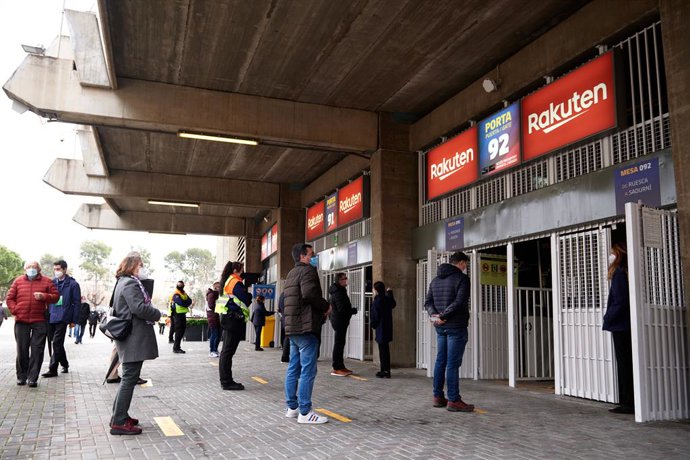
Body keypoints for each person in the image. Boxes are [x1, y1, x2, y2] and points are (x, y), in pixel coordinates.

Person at [109, 252, 160, 435]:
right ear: (132, 266)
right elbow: (138, 308)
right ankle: (119, 422)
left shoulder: (122, 282)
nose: (143, 269)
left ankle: (119, 416)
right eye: (141, 265)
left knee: (129, 378)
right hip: (133, 337)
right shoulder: (130, 283)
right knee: (129, 378)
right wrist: (157, 313)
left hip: (130, 337)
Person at [283, 243, 331, 424]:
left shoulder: (291, 274)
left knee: (293, 368)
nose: (314, 257)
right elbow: (309, 293)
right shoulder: (308, 271)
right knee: (308, 370)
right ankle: (305, 412)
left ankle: (292, 408)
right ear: (303, 256)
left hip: (293, 328)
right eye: (312, 254)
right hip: (305, 327)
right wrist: (326, 306)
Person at [424, 251, 475, 412]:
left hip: (440, 327)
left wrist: (435, 316)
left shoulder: (435, 280)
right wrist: (444, 316)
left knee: (441, 361)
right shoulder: (462, 279)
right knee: (452, 364)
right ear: (460, 263)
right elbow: (460, 302)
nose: (466, 267)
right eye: (465, 263)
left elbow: (428, 302)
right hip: (456, 326)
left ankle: (438, 396)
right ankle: (453, 400)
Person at [6, 261, 60, 387]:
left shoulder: (46, 281)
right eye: (29, 267)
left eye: (34, 267)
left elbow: (56, 297)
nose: (31, 269)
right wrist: (15, 310)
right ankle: (21, 376)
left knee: (37, 350)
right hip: (21, 321)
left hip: (39, 320)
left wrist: (44, 296)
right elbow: (10, 298)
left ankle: (33, 378)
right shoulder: (18, 281)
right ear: (25, 269)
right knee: (22, 349)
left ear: (39, 269)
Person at [603, 242, 634, 414]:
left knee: (624, 364)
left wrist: (608, 317)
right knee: (627, 363)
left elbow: (620, 300)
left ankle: (627, 401)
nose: (610, 256)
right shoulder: (627, 272)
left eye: (612, 252)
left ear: (618, 254)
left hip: (621, 325)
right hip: (626, 324)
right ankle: (628, 400)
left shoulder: (619, 274)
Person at [216, 262, 252, 390]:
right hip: (232, 320)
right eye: (242, 269)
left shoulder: (227, 281)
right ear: (236, 270)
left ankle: (226, 380)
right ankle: (226, 381)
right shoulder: (235, 282)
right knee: (227, 352)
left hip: (227, 318)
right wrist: (250, 295)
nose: (243, 272)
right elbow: (246, 299)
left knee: (226, 351)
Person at [42, 260, 81, 378]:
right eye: (55, 269)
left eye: (58, 269)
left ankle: (52, 369)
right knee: (56, 343)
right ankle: (65, 363)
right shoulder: (52, 283)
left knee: (57, 342)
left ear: (64, 269)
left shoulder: (73, 284)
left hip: (64, 317)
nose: (56, 271)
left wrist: (74, 320)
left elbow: (77, 303)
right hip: (51, 315)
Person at [328, 272, 357, 376]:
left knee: (340, 343)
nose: (346, 280)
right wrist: (352, 310)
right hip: (339, 320)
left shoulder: (339, 291)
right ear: (340, 281)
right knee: (339, 344)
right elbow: (342, 309)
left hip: (339, 320)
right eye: (345, 278)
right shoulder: (339, 292)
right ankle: (337, 367)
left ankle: (340, 366)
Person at [371, 281, 396, 378]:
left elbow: (375, 315)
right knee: (386, 349)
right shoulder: (387, 298)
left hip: (380, 328)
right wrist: (390, 293)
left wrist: (373, 324)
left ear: (376, 290)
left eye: (373, 289)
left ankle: (384, 371)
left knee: (382, 350)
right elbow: (393, 304)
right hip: (387, 327)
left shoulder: (377, 300)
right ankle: (386, 370)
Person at [171, 281, 192, 354]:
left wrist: (185, 302)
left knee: (182, 331)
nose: (181, 286)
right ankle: (176, 348)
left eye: (182, 285)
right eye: (179, 285)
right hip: (177, 315)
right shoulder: (176, 294)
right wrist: (186, 303)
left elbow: (190, 301)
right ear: (177, 285)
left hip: (183, 314)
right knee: (179, 332)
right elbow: (181, 303)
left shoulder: (183, 293)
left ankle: (177, 347)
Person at [206, 282, 221, 357]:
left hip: (215, 317)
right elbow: (211, 305)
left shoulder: (215, 295)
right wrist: (220, 308)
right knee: (214, 334)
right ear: (216, 287)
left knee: (218, 334)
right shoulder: (212, 295)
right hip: (213, 317)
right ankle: (212, 351)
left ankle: (215, 349)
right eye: (219, 287)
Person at [278, 292, 290, 363]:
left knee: (286, 337)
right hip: (290, 319)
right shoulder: (291, 293)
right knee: (288, 338)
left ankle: (285, 356)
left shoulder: (282, 295)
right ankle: (285, 356)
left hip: (284, 320)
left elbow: (279, 308)